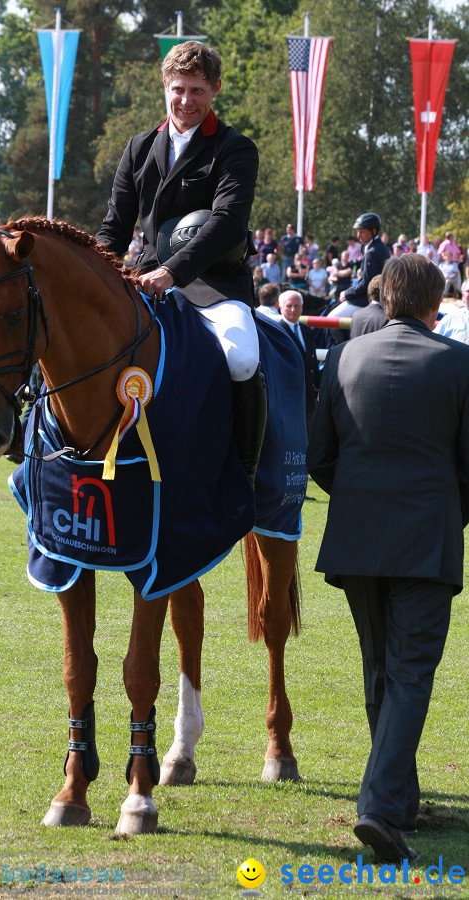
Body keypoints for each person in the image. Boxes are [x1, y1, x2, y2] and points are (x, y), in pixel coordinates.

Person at [307, 253, 469, 863]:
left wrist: (356, 500)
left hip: (357, 534)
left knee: (380, 667)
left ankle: (396, 799)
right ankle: (379, 806)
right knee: (409, 675)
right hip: (427, 538)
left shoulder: (346, 356)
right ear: (434, 304)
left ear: (386, 297)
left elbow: (321, 453)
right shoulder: (459, 363)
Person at [97, 40, 265, 483]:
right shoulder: (138, 148)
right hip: (144, 275)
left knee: (243, 358)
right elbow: (115, 226)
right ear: (164, 87)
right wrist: (94, 273)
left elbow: (228, 223)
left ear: (215, 90)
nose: (185, 100)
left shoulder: (235, 148)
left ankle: (244, 474)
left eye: (196, 90)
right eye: (177, 89)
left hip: (214, 282)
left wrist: (173, 272)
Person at [328, 213, 390, 319]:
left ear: (373, 231)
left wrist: (347, 293)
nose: (358, 235)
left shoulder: (372, 252)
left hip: (367, 299)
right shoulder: (383, 247)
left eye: (362, 231)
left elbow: (366, 283)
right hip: (380, 298)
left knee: (331, 318)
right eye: (357, 231)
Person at [278, 290, 319, 435]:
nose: (293, 310)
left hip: (307, 397)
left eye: (297, 305)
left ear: (302, 308)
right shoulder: (277, 331)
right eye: (289, 306)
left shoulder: (307, 330)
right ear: (281, 307)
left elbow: (312, 364)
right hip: (287, 397)